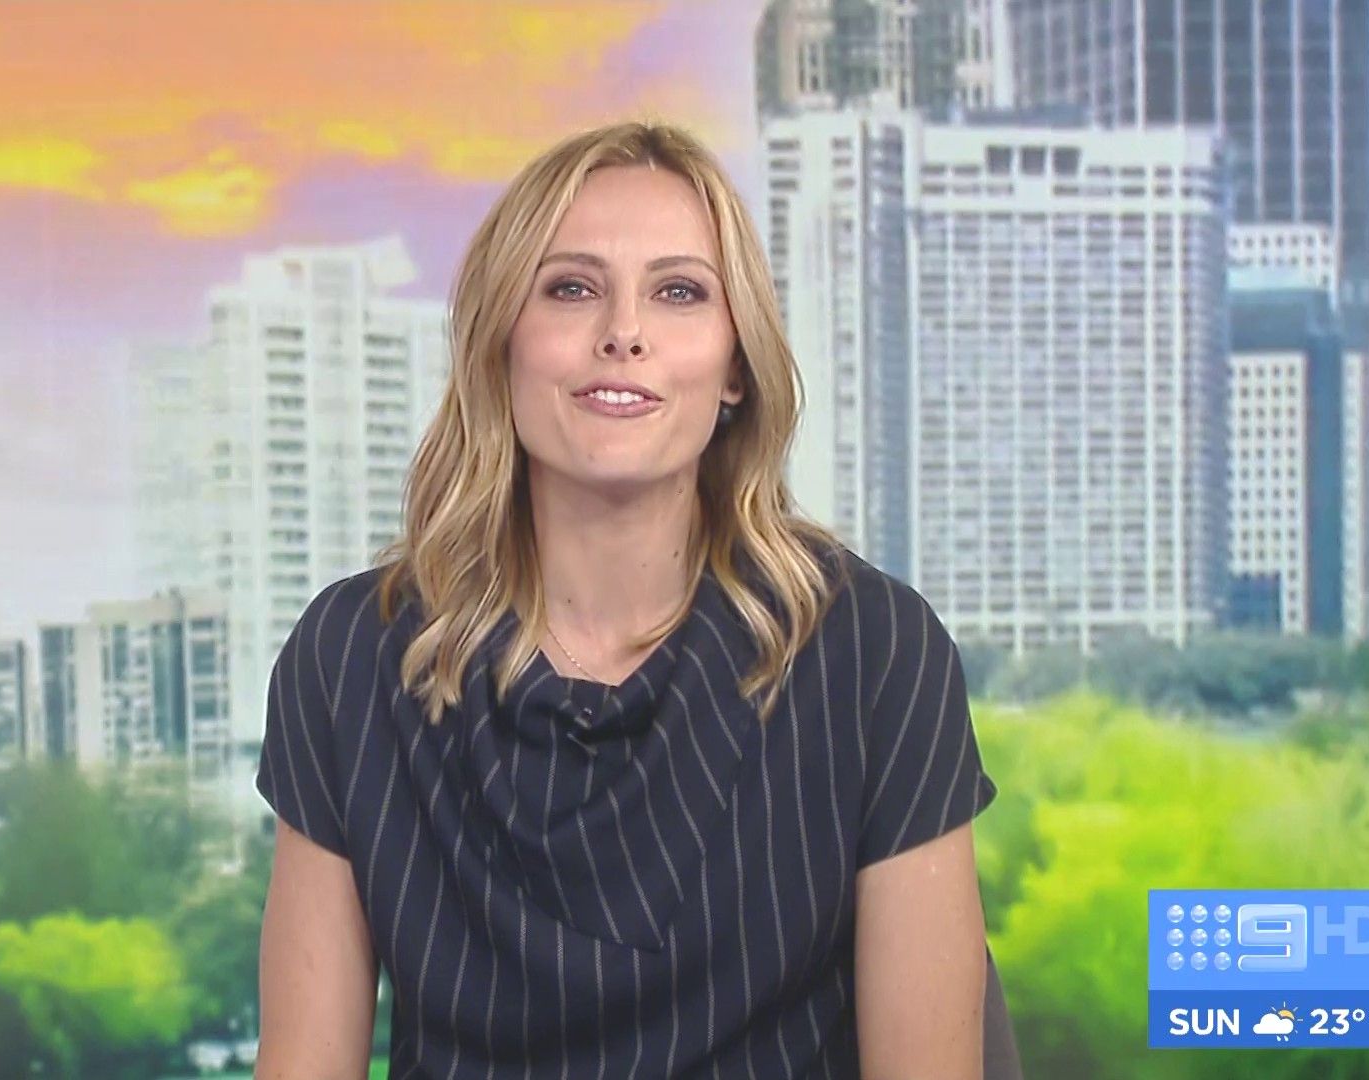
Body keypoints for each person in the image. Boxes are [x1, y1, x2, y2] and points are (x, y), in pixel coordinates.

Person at [254, 119, 999, 1079]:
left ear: (736, 366)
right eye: (571, 288)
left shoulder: (873, 652)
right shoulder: (352, 656)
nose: (624, 333)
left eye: (679, 291)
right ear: (500, 343)